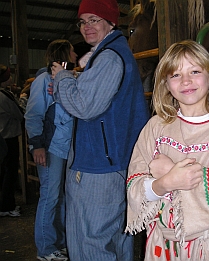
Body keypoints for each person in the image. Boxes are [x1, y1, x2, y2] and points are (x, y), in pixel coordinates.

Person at [125, 40, 209, 261]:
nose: (186, 81)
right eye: (175, 75)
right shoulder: (156, 127)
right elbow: (135, 185)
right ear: (166, 83)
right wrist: (165, 183)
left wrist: (172, 170)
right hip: (162, 246)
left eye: (195, 71)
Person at [50, 0, 150, 260]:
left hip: (98, 166)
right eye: (82, 21)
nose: (87, 27)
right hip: (115, 161)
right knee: (116, 237)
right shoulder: (115, 53)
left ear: (111, 22)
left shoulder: (108, 57)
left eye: (94, 19)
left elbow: (84, 106)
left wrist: (61, 78)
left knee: (90, 240)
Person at [25, 39, 77, 261]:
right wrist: (37, 146)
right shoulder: (43, 80)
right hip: (50, 146)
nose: (76, 54)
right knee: (49, 195)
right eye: (72, 51)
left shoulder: (67, 80)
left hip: (64, 147)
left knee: (60, 197)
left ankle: (61, 243)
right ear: (65, 54)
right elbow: (33, 114)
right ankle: (45, 249)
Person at [0, 64, 23, 217]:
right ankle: (7, 206)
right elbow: (19, 114)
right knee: (10, 173)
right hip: (8, 137)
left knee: (2, 172)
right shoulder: (4, 96)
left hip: (1, 136)